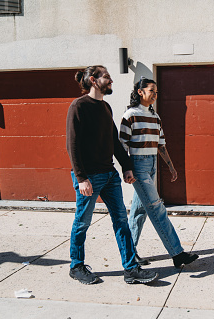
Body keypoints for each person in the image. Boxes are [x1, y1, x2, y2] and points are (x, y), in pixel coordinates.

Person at [66, 66, 158, 285]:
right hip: (89, 177)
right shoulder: (78, 107)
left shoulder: (105, 107)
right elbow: (72, 145)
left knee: (121, 222)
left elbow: (114, 142)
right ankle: (76, 266)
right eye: (106, 77)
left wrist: (126, 166)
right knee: (82, 222)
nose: (111, 81)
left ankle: (131, 269)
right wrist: (81, 178)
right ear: (92, 80)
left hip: (109, 175)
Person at [120, 77, 198, 268]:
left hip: (152, 164)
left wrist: (170, 166)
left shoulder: (155, 117)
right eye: (151, 91)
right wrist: (126, 169)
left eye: (156, 92)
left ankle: (130, 253)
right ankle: (177, 253)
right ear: (140, 92)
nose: (155, 95)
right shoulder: (130, 115)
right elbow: (121, 145)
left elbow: (161, 145)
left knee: (139, 211)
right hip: (138, 167)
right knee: (157, 208)